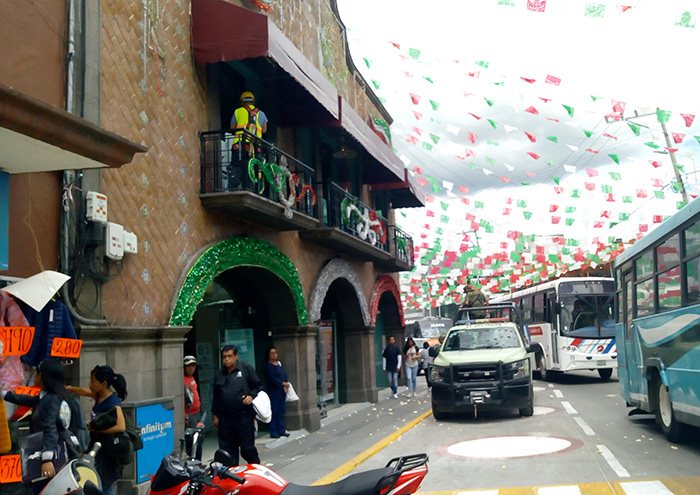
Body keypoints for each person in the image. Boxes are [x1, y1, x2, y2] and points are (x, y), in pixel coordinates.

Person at [2, 358, 77, 491]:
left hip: (50, 458)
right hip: (46, 454)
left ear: (41, 375)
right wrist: (4, 394)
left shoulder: (51, 400)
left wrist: (47, 458)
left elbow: (50, 428)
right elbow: (27, 399)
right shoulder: (48, 397)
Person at [67, 365, 128, 495]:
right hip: (96, 447)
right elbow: (84, 391)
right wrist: (69, 389)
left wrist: (96, 430)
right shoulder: (99, 395)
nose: (90, 384)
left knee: (105, 485)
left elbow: (121, 426)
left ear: (103, 383)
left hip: (107, 452)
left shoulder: (113, 403)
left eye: (93, 381)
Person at [212, 345, 263, 466]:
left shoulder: (246, 369)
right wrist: (215, 415)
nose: (227, 359)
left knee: (247, 449)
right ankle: (232, 478)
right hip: (225, 420)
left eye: (230, 356)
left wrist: (251, 396)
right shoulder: (219, 374)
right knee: (227, 452)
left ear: (236, 356)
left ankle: (257, 470)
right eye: (224, 357)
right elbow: (215, 396)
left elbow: (258, 386)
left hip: (243, 417)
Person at [264, 347, 290, 439]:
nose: (274, 354)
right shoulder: (268, 366)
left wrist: (286, 384)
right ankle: (273, 431)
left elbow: (284, 374)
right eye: (272, 353)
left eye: (275, 352)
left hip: (282, 391)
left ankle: (281, 430)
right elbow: (272, 378)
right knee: (274, 411)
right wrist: (282, 383)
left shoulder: (279, 364)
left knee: (281, 411)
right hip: (274, 392)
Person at [183, 355, 201, 428]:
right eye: (189, 366)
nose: (191, 368)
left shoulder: (192, 378)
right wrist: (185, 417)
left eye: (193, 366)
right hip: (189, 414)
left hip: (197, 413)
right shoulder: (182, 380)